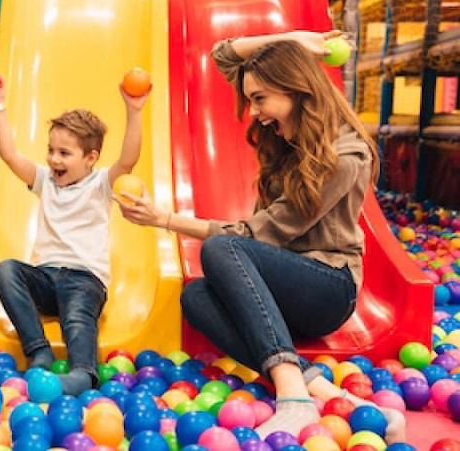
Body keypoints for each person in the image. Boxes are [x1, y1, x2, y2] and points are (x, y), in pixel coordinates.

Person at [115, 31, 405, 441]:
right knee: (195, 296)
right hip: (281, 290)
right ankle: (318, 388)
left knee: (221, 248)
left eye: (261, 99)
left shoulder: (344, 155)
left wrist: (164, 219)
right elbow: (223, 55)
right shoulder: (289, 138)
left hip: (327, 287)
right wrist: (293, 39)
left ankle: (292, 396)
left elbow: (260, 234)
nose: (253, 112)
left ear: (295, 91)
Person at [0, 76, 150, 396]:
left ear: (91, 158)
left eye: (65, 153)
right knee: (5, 270)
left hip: (84, 279)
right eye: (51, 150)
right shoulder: (45, 180)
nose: (54, 159)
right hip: (44, 277)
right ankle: (38, 350)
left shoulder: (100, 184)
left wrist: (134, 110)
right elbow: (10, 155)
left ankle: (84, 371)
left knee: (77, 320)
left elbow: (128, 159)